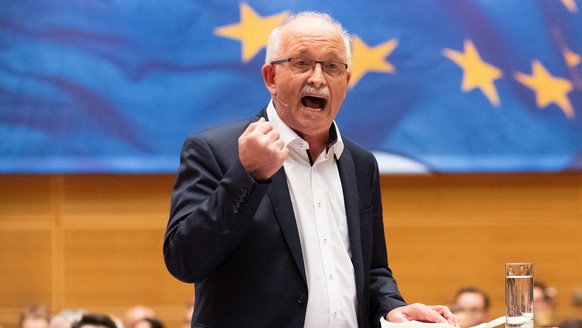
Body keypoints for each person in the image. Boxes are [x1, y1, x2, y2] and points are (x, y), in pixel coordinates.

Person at [163, 11, 458, 328]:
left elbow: (372, 270)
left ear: (345, 82)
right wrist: (247, 176)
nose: (318, 78)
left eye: (332, 66)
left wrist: (390, 306)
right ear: (271, 78)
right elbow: (184, 261)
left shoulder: (360, 164)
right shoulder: (217, 150)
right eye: (302, 63)